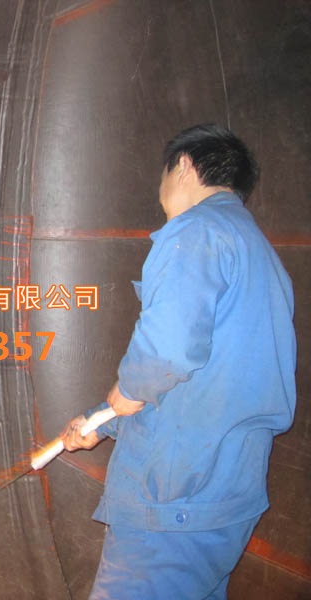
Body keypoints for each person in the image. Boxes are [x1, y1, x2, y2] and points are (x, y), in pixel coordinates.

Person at [62, 124, 296, 599]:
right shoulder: (261, 256)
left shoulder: (195, 230)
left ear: (184, 166)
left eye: (163, 175)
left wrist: (126, 393)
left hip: (173, 499)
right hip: (226, 495)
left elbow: (165, 355)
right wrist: (100, 420)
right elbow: (206, 380)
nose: (161, 191)